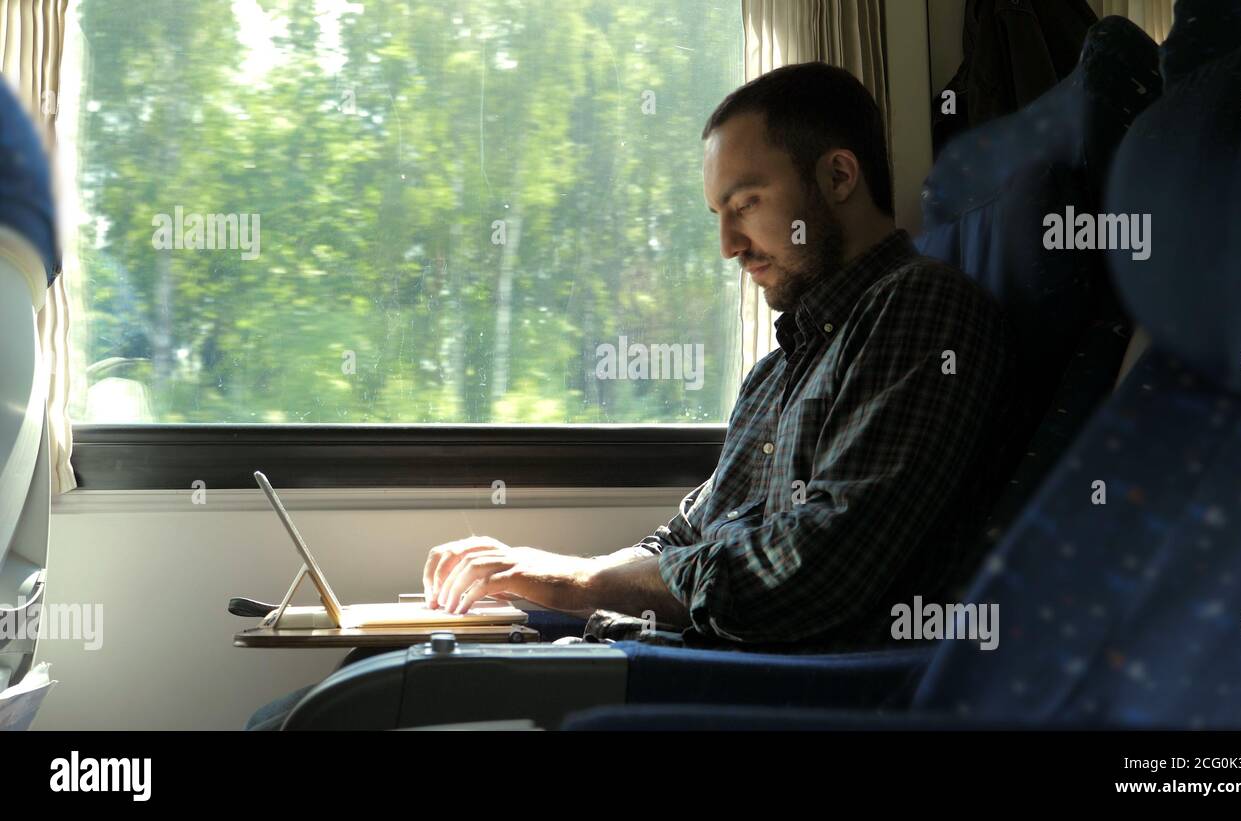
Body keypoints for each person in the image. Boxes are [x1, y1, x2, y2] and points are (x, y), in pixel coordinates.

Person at [247, 61, 1020, 729]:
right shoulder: (778, 368)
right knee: (351, 670)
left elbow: (815, 575)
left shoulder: (920, 310)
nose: (727, 245)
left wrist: (578, 585)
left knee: (330, 717)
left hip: (786, 681)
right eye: (717, 216)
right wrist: (539, 569)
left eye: (746, 203)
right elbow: (683, 536)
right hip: (697, 642)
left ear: (839, 176)